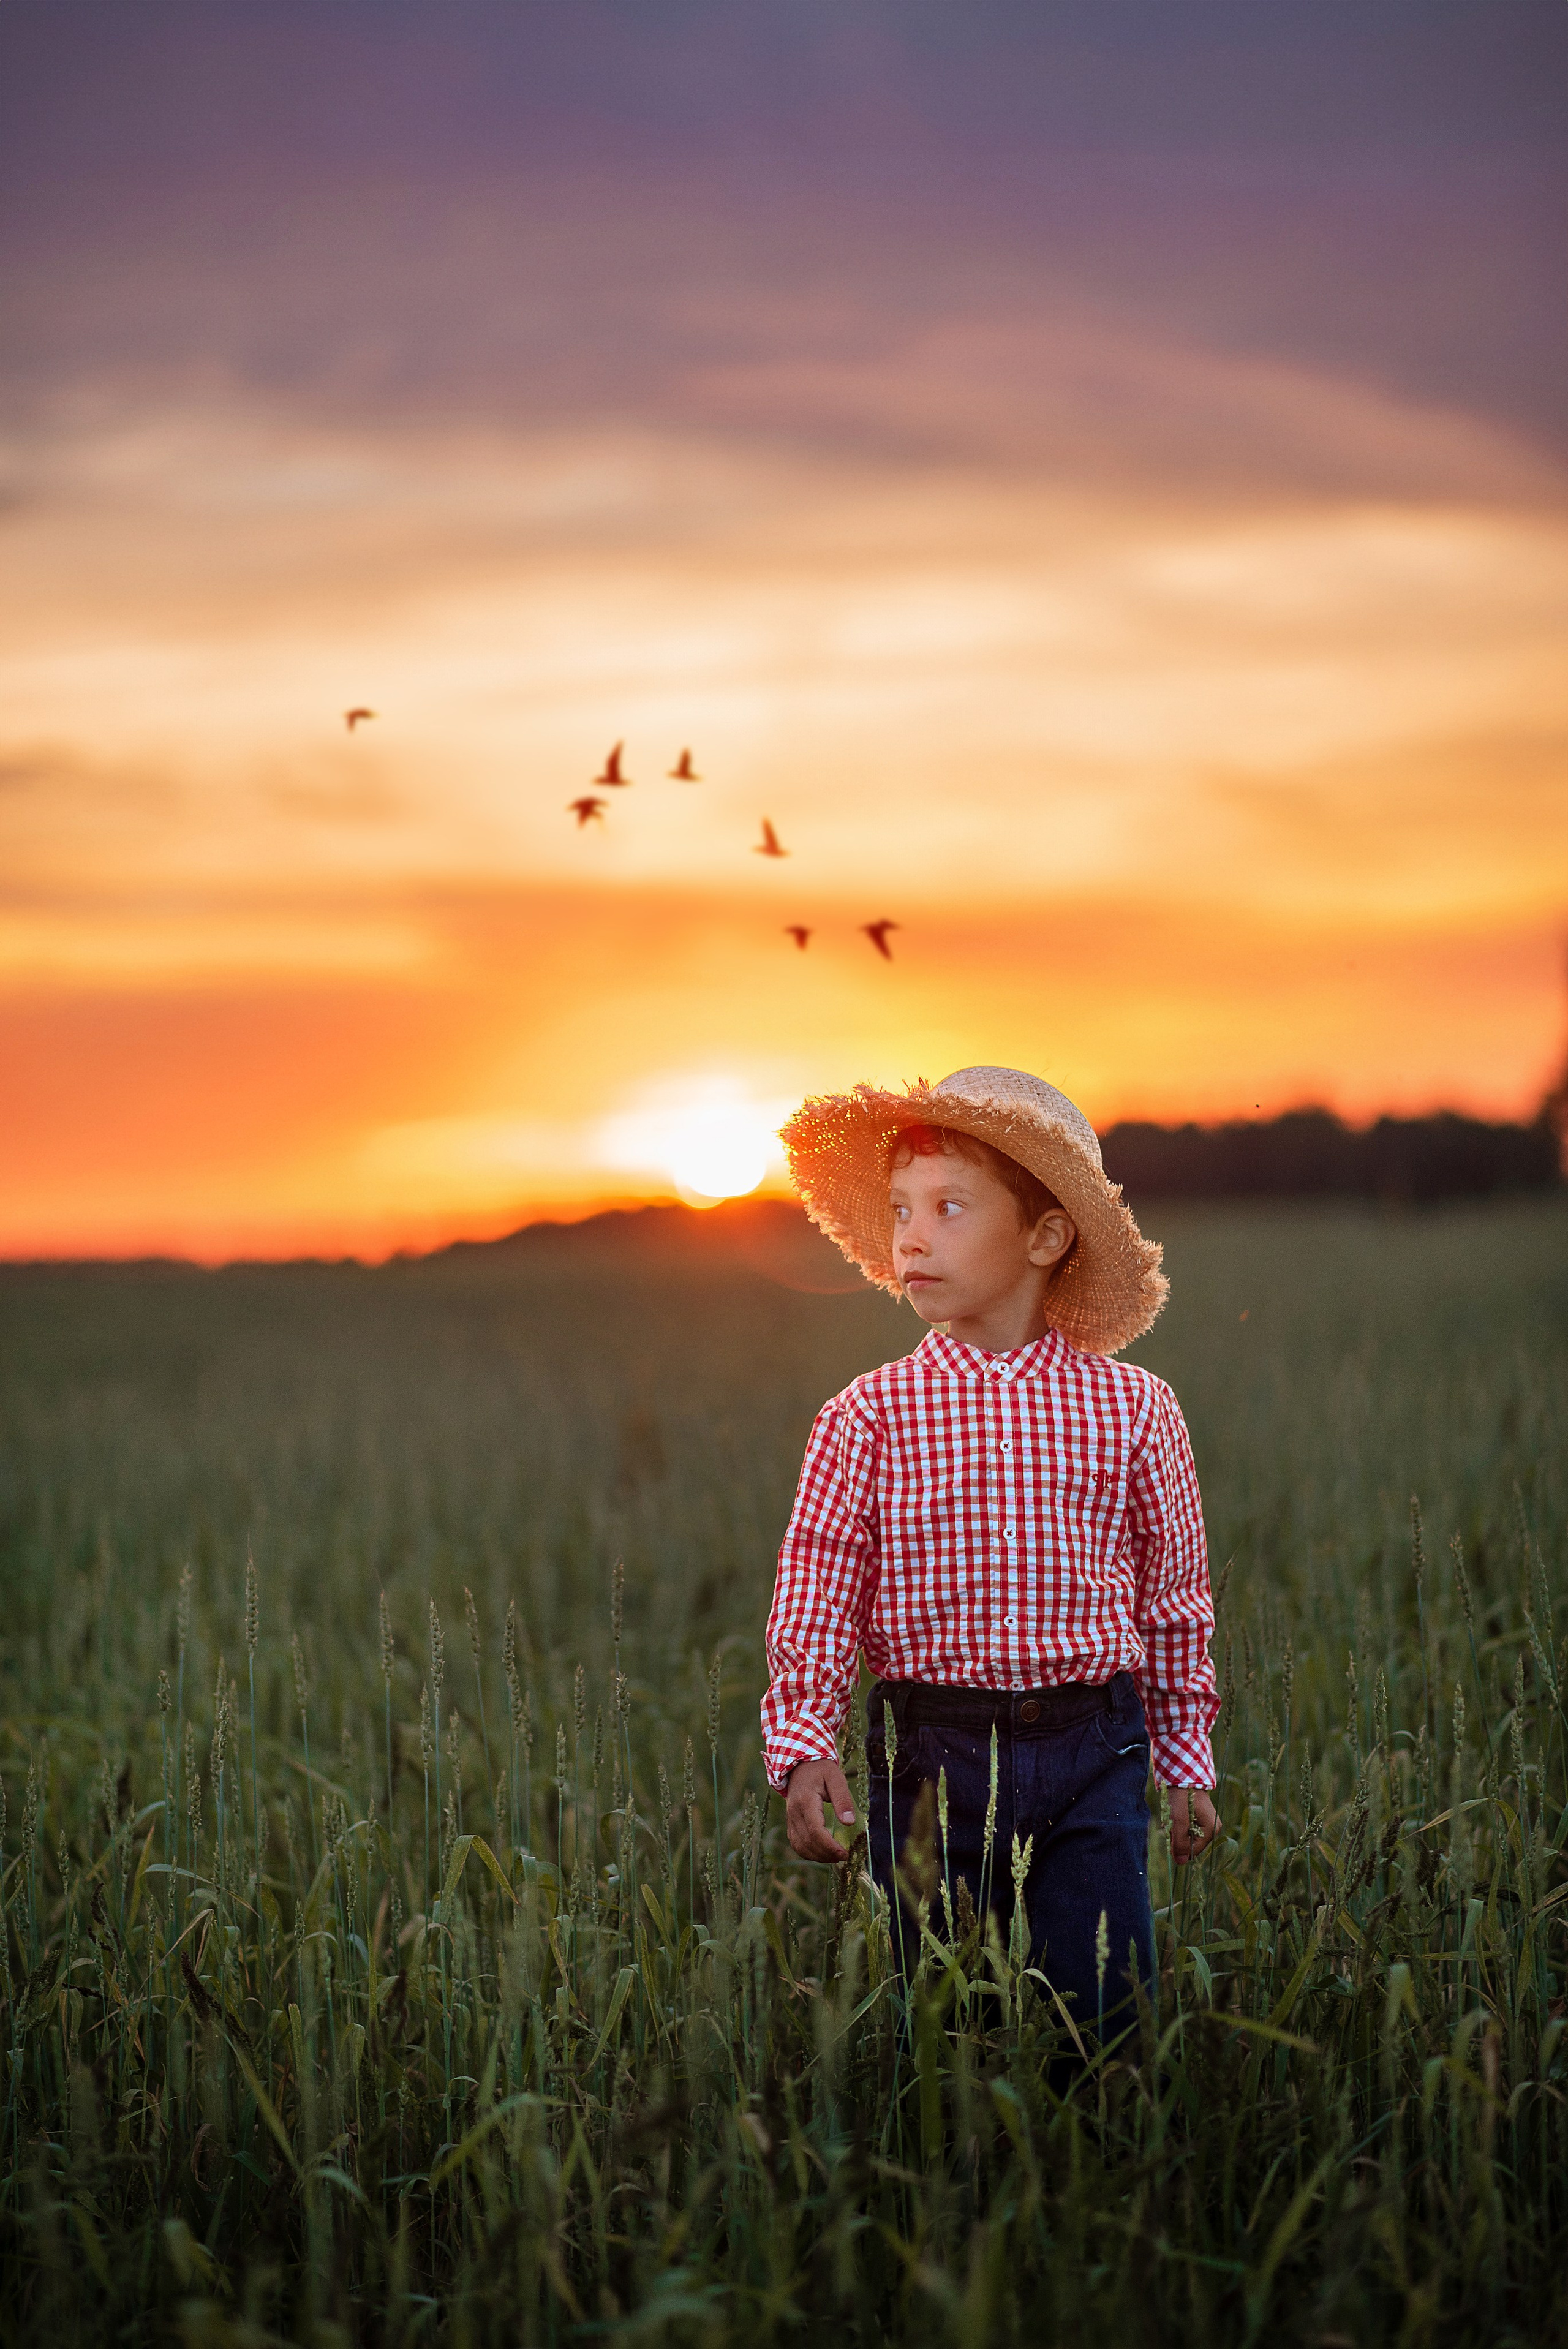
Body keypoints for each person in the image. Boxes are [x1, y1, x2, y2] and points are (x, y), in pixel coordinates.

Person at [761, 1065, 1220, 2029]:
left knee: (1106, 2016)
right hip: (928, 1754)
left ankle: (1103, 2121)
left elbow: (1173, 1597)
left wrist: (1184, 1755)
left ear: (1046, 1237)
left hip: (1093, 1747)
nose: (911, 1237)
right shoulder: (867, 1417)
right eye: (900, 1210)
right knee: (937, 2024)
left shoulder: (1136, 1410)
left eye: (949, 1208)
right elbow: (818, 1592)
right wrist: (805, 1745)